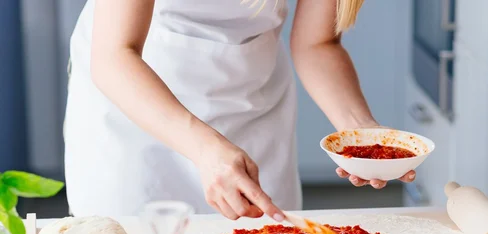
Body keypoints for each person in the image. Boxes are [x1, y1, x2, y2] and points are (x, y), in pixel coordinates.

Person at [63, 0, 416, 221]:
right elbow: (114, 55)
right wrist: (205, 149)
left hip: (252, 100)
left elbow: (317, 43)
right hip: (139, 101)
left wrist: (359, 131)